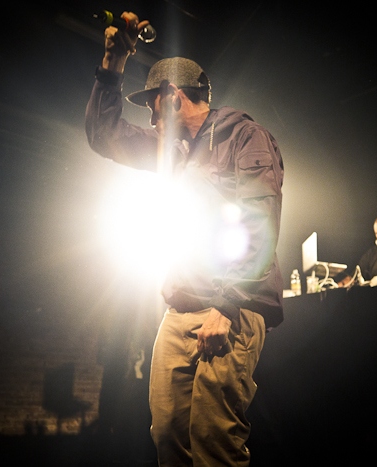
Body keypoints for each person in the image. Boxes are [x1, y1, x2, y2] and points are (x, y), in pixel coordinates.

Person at [84, 12, 284, 467]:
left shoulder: (245, 137)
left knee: (214, 436)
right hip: (181, 307)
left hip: (233, 304)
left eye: (153, 106)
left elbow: (261, 220)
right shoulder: (170, 150)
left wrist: (227, 305)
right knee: (167, 432)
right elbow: (103, 135)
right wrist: (114, 62)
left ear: (173, 98)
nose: (151, 117)